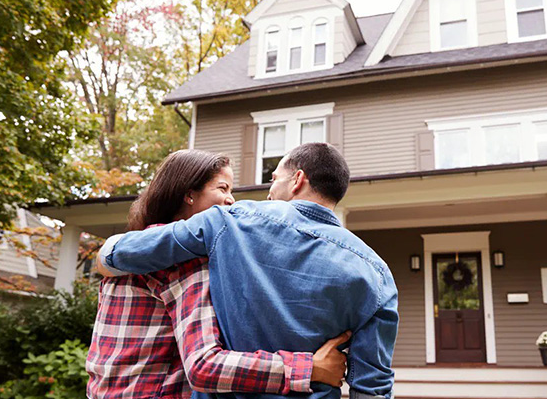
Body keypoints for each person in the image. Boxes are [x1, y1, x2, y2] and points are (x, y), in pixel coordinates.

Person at [98, 143, 398, 399]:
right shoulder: (378, 274)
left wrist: (106, 255)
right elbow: (372, 385)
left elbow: (129, 251)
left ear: (297, 180)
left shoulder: (230, 222)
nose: (268, 192)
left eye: (274, 179)